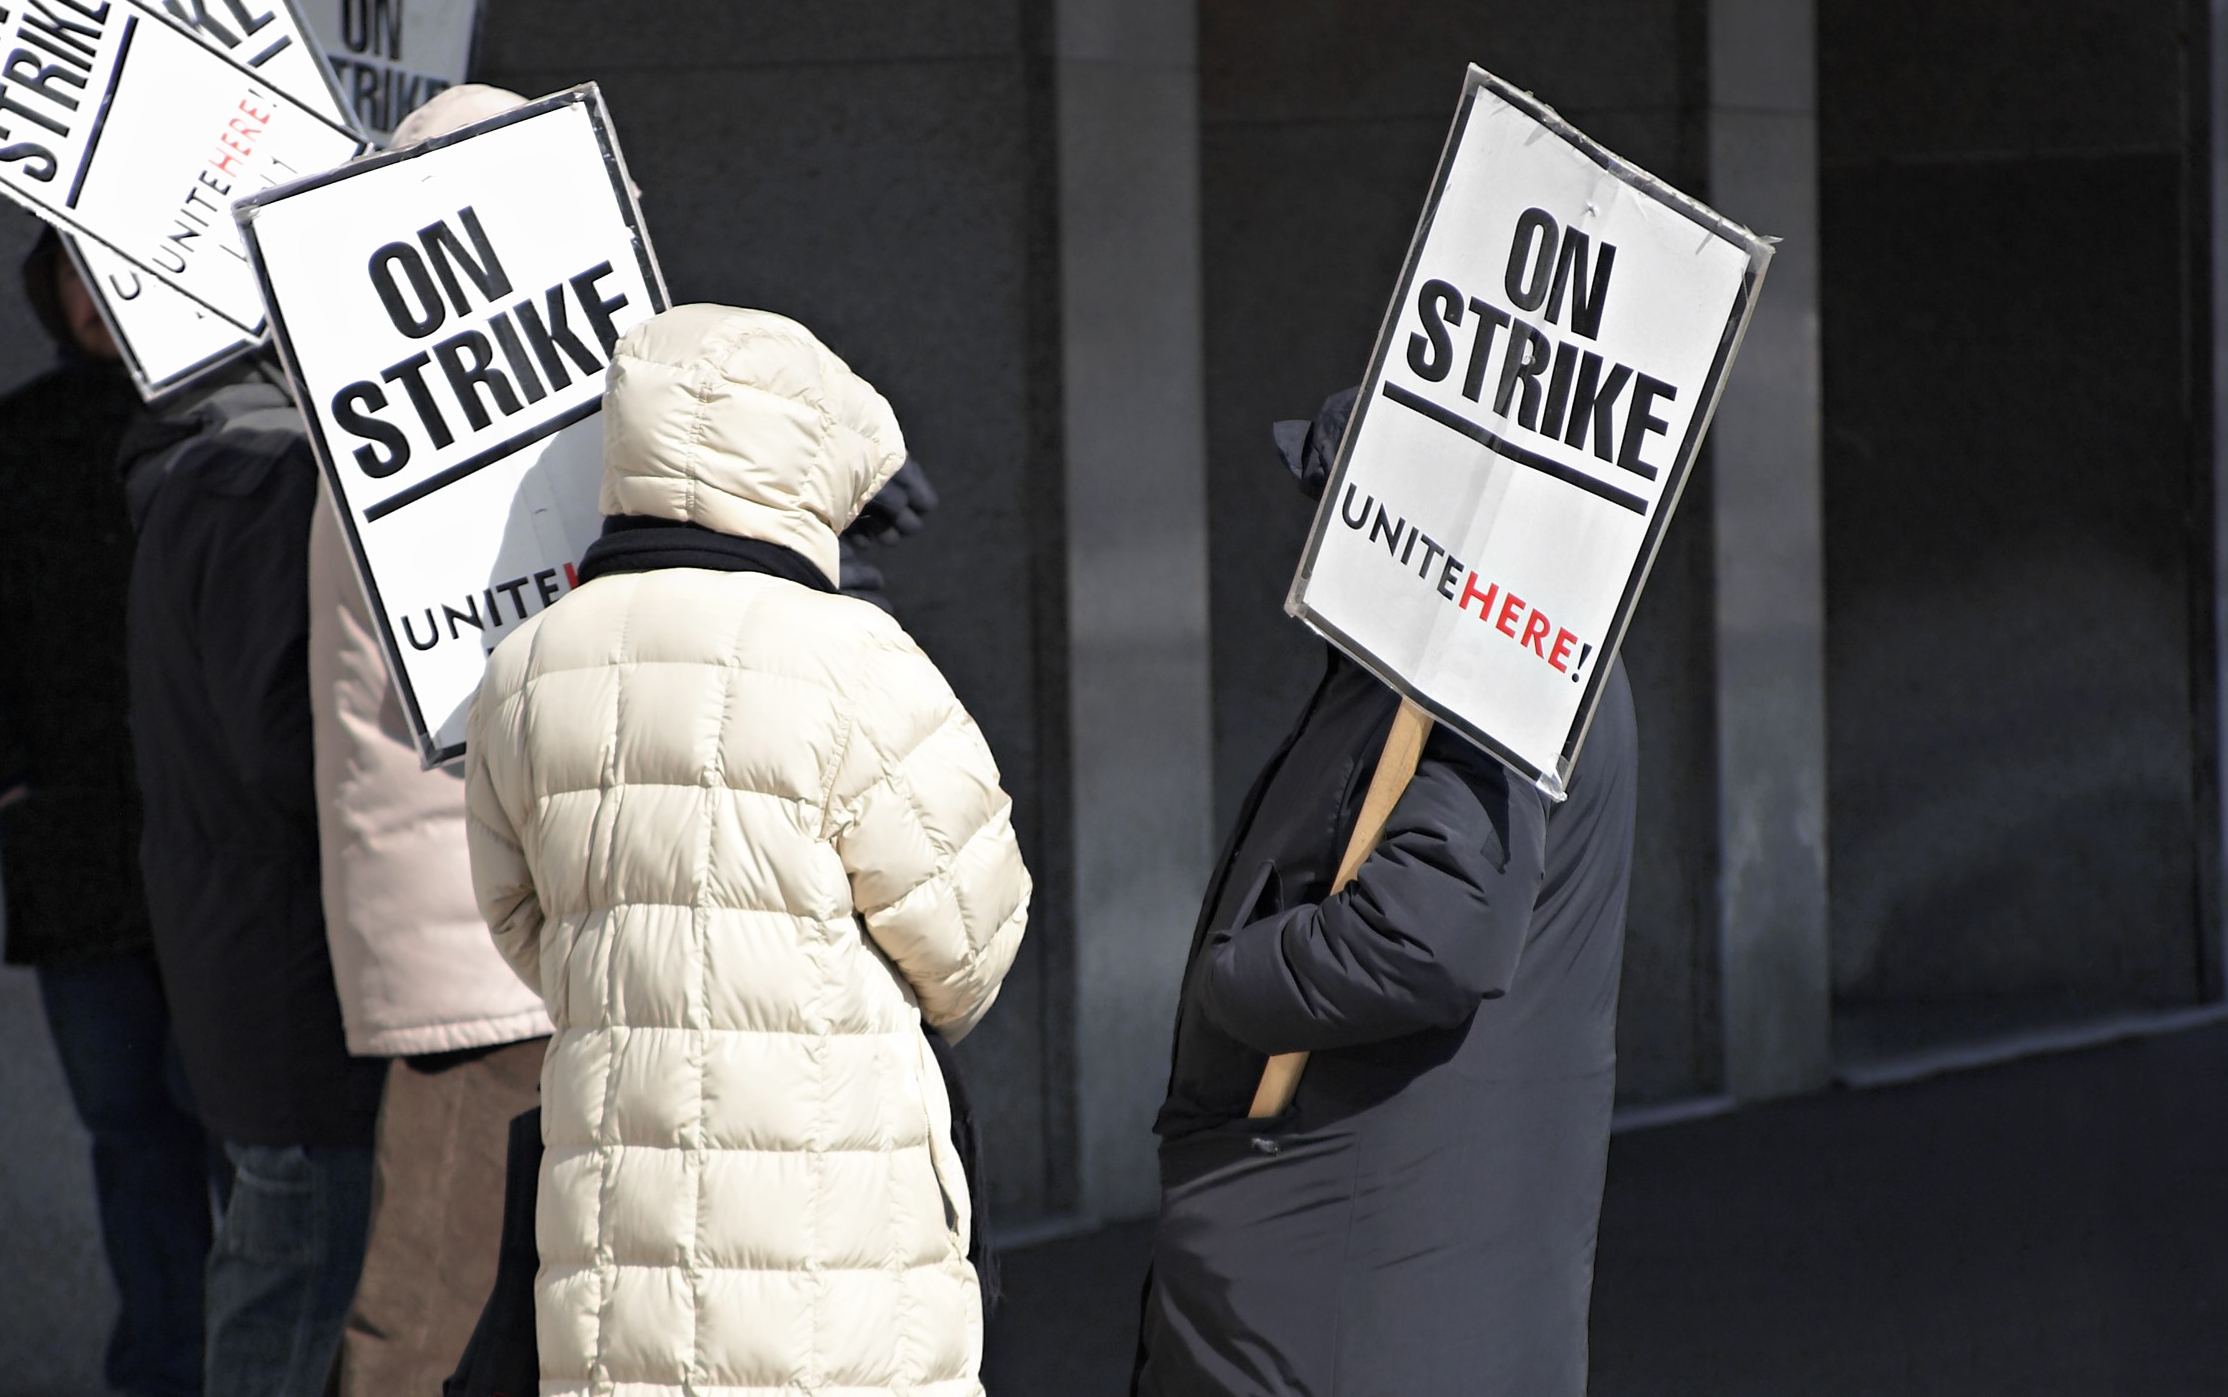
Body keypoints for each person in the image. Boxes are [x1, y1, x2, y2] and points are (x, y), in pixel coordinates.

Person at [463, 304, 1032, 1397]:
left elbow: (516, 919)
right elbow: (968, 942)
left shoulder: (528, 665)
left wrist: (646, 994)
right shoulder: (849, 657)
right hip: (830, 1232)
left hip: (610, 1232)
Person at [1132, 389, 1640, 1397]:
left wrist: (1228, 978)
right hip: (1379, 1243)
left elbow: (1419, 940)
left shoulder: (1485, 663)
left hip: (1359, 1254)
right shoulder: (1484, 655)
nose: (1312, 539)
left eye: (1331, 506)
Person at [0, 228, 213, 1397]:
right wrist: (3, 788)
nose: (99, 296)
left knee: (260, 1142)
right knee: (135, 1139)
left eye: (118, 263)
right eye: (75, 269)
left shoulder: (250, 438)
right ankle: (170, 1376)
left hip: (238, 862)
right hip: (79, 869)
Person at [315, 85, 558, 1395]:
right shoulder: (454, 443)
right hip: (485, 933)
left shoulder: (377, 419)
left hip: (476, 926)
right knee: (437, 1315)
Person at [121, 354, 384, 1397]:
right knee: (301, 1270)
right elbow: (286, 743)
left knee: (292, 1260)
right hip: (296, 959)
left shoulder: (212, 470)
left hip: (256, 943)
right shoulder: (269, 479)